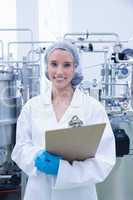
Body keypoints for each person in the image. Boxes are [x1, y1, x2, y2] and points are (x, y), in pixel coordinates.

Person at [11, 40, 116, 200]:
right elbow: (20, 148)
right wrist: (36, 157)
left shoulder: (92, 108)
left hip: (78, 194)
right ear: (47, 67)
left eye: (66, 65)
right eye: (54, 64)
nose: (59, 71)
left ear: (75, 68)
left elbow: (104, 159)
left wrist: (62, 170)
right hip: (39, 191)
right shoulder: (32, 107)